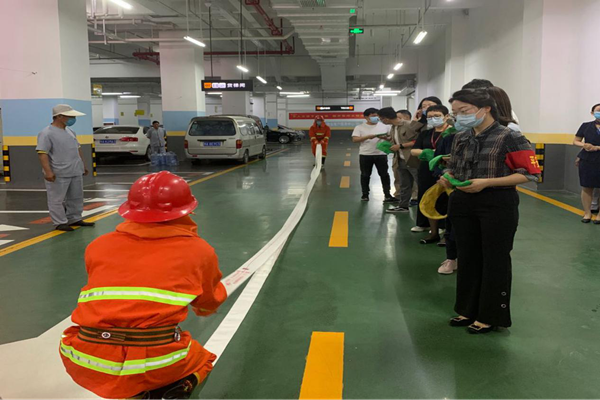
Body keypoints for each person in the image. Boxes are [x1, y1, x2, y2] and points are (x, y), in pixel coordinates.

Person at [60, 171, 227, 400]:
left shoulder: (98, 246)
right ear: (188, 211)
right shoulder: (199, 251)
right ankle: (175, 389)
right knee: (204, 359)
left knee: (126, 376)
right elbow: (208, 302)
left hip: (82, 356)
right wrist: (205, 307)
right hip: (153, 360)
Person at [440, 89, 541, 334]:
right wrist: (447, 176)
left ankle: (490, 315)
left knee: (495, 259)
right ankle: (466, 309)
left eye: (464, 111)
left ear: (485, 109)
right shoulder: (461, 137)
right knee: (468, 256)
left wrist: (487, 183)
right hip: (463, 202)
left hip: (496, 203)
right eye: (455, 113)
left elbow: (531, 174)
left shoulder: (510, 136)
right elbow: (454, 167)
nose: (459, 117)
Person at [36, 104, 95, 232]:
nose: (73, 119)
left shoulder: (70, 131)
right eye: (70, 116)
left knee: (76, 197)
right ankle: (59, 222)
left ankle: (75, 218)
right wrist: (48, 172)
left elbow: (77, 149)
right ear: (59, 116)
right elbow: (42, 153)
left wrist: (83, 165)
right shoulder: (47, 133)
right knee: (56, 199)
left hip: (75, 170)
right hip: (59, 172)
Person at [411, 105, 451, 243]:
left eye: (437, 116)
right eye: (430, 117)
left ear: (446, 116)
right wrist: (431, 153)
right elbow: (414, 150)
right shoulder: (426, 134)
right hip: (427, 169)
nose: (433, 119)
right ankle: (433, 232)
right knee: (428, 197)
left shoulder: (452, 133)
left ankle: (446, 231)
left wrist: (436, 154)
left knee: (447, 199)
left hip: (446, 169)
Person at [378, 107, 421, 212]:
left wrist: (401, 146)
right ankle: (403, 206)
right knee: (404, 184)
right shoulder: (393, 127)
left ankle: (424, 206)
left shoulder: (409, 125)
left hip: (413, 159)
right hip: (400, 159)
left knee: (420, 182)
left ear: (386, 118)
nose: (381, 121)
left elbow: (418, 140)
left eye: (381, 119)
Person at [351, 108, 396, 203]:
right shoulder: (359, 127)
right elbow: (355, 139)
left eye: (377, 116)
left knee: (384, 174)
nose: (376, 118)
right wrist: (368, 136)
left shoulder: (385, 126)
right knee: (365, 175)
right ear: (366, 117)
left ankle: (387, 194)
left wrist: (385, 138)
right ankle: (365, 194)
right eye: (373, 116)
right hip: (365, 154)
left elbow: (391, 138)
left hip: (381, 154)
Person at [573, 103, 600, 223]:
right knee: (586, 187)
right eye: (598, 111)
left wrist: (597, 148)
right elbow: (576, 141)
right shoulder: (586, 126)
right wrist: (584, 145)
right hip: (587, 159)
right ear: (592, 113)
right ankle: (587, 213)